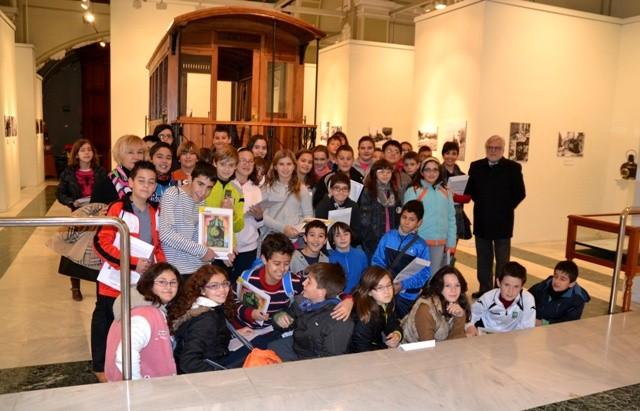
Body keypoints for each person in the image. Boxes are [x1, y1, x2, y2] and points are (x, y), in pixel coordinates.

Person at [93, 161, 166, 382]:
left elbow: (157, 246)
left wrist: (162, 269)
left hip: (140, 283)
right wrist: (133, 264)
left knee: (132, 325)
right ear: (131, 182)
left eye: (151, 182)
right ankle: (100, 368)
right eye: (141, 180)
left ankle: (126, 367)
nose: (146, 186)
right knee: (106, 324)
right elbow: (101, 243)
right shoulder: (117, 208)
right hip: (113, 282)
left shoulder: (155, 211)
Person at [465, 135, 526, 299]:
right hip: (482, 220)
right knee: (483, 259)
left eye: (497, 148)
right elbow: (470, 190)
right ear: (486, 149)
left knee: (502, 260)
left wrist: (504, 207)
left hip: (503, 221)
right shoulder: (476, 166)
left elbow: (520, 193)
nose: (493, 151)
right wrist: (484, 204)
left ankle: (500, 292)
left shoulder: (513, 167)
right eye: (490, 148)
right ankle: (485, 290)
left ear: (503, 149)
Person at [104, 262, 180, 381]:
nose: (168, 287)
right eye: (162, 282)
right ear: (149, 284)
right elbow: (125, 356)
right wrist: (138, 386)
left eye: (173, 282)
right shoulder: (145, 315)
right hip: (144, 388)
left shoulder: (136, 306)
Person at [270, 262, 355, 361]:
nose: (303, 283)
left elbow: (331, 361)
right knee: (267, 350)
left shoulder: (338, 319)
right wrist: (278, 318)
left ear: (321, 291)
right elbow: (285, 319)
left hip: (312, 361)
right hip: (298, 347)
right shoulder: (304, 302)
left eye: (309, 281)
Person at [57, 138, 107, 301]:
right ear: (76, 154)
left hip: (98, 215)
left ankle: (101, 285)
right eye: (83, 150)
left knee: (98, 250)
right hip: (78, 214)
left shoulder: (101, 172)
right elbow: (60, 193)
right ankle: (75, 287)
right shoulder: (68, 172)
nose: (87, 153)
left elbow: (108, 191)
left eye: (89, 150)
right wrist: (72, 202)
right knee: (74, 252)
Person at [371, 200, 431, 318]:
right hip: (384, 291)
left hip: (407, 296)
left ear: (419, 222)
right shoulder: (388, 237)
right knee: (382, 320)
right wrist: (384, 283)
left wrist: (403, 285)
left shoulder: (421, 246)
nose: (406, 222)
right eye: (404, 217)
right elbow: (377, 261)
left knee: (401, 323)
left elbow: (424, 274)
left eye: (412, 219)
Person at [169, 265, 234, 374]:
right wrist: (221, 375)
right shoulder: (206, 320)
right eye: (214, 286)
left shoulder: (199, 306)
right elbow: (188, 362)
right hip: (212, 367)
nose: (222, 290)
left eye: (224, 284)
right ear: (202, 290)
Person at [159, 162, 217, 279]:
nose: (203, 192)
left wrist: (222, 253)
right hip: (175, 270)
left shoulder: (202, 202)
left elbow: (200, 239)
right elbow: (166, 234)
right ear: (190, 178)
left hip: (197, 269)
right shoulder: (173, 194)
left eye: (209, 188)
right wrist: (202, 251)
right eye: (200, 184)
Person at [404, 157, 456, 275]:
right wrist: (408, 240)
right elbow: (407, 219)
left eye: (435, 170)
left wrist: (451, 243)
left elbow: (451, 218)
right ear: (422, 172)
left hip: (439, 243)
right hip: (418, 242)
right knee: (416, 276)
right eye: (427, 170)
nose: (431, 173)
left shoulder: (446, 192)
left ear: (439, 172)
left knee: (434, 276)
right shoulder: (413, 191)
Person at [402, 266, 471, 343]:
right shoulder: (425, 309)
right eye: (448, 285)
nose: (453, 290)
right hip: (411, 349)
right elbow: (428, 346)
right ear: (439, 287)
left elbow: (457, 340)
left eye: (457, 285)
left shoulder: (457, 303)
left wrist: (460, 317)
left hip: (440, 347)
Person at [468, 261, 536, 334]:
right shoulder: (488, 297)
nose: (510, 291)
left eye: (516, 287)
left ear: (522, 287)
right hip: (486, 330)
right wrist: (470, 326)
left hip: (510, 335)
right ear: (498, 282)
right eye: (506, 285)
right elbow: (472, 314)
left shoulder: (527, 300)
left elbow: (527, 327)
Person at [260, 149, 313, 240]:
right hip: (272, 238)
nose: (285, 168)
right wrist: (283, 228)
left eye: (289, 164)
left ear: (294, 166)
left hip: (295, 239)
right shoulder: (267, 188)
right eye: (281, 164)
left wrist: (298, 230)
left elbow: (308, 216)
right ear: (275, 166)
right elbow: (262, 216)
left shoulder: (302, 189)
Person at [349, 266, 402, 352]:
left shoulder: (385, 303)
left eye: (389, 285)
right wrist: (386, 348)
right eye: (380, 288)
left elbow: (393, 323)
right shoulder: (364, 315)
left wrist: (396, 334)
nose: (387, 291)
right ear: (369, 292)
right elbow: (362, 348)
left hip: (376, 347)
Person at [232, 148, 264, 283]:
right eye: (243, 160)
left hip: (249, 246)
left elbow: (259, 224)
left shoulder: (256, 189)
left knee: (243, 285)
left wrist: (259, 216)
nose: (247, 164)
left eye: (250, 161)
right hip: (228, 246)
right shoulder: (227, 185)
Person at [358, 159, 401, 259]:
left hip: (391, 237)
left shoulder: (394, 191)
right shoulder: (368, 191)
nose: (385, 175)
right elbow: (364, 220)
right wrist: (369, 239)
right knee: (374, 266)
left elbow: (398, 216)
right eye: (381, 172)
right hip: (373, 240)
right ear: (374, 173)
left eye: (388, 172)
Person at [529, 260, 590, 325]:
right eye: (555, 276)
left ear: (571, 284)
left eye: (562, 279)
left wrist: (544, 323)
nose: (557, 281)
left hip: (554, 329)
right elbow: (526, 298)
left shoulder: (577, 299)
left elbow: (569, 323)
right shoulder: (544, 285)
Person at [205, 144, 245, 239]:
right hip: (205, 240)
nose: (226, 169)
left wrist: (233, 213)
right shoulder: (205, 185)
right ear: (215, 163)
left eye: (231, 165)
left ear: (236, 166)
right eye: (222, 164)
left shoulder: (238, 191)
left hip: (228, 244)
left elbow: (238, 228)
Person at [91, 134, 145, 204]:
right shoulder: (105, 183)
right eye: (130, 152)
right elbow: (94, 209)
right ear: (120, 155)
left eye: (140, 152)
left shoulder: (148, 179)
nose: (136, 157)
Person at [314, 173, 362, 244]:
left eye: (344, 189)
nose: (341, 192)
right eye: (337, 188)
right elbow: (320, 231)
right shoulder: (322, 206)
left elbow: (357, 232)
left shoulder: (354, 206)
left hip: (349, 243)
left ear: (349, 192)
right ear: (331, 190)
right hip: (327, 243)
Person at [441, 141, 472, 242]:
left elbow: (468, 198)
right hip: (439, 216)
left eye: (454, 153)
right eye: (447, 153)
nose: (450, 156)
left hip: (456, 217)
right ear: (443, 154)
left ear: (457, 155)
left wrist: (453, 196)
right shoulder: (436, 174)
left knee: (452, 246)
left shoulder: (463, 176)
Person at [327, 222, 368, 294]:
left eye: (346, 234)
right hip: (338, 297)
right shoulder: (329, 259)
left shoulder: (361, 254)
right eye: (337, 235)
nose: (343, 238)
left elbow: (365, 277)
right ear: (332, 240)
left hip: (359, 295)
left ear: (350, 236)